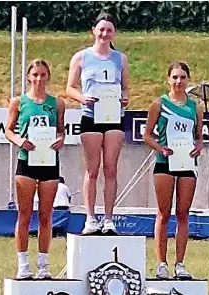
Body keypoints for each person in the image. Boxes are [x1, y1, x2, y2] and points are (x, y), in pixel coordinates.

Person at [66, 12, 130, 235]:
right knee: (92, 170)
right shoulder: (81, 57)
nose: (104, 34)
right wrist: (83, 98)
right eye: (101, 29)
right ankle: (90, 217)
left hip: (113, 117)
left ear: (114, 33)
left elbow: (125, 88)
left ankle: (109, 218)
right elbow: (70, 87)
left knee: (111, 168)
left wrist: (124, 98)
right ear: (94, 30)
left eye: (109, 30)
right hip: (91, 116)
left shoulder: (120, 59)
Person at [5, 58, 65, 279]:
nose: (39, 79)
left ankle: (43, 264)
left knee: (46, 214)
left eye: (43, 74)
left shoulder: (57, 103)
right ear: (29, 77)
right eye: (35, 75)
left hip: (49, 160)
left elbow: (60, 130)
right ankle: (23, 264)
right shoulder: (18, 102)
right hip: (26, 160)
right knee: (24, 213)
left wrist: (61, 139)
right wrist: (20, 141)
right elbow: (8, 130)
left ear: (48, 76)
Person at [143, 61, 203, 280]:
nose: (179, 81)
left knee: (183, 213)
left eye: (183, 77)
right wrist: (161, 148)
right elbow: (147, 135)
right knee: (163, 212)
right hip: (165, 162)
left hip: (186, 163)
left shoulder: (195, 107)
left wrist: (198, 146)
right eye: (175, 77)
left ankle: (180, 263)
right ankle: (161, 263)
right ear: (168, 79)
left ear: (188, 80)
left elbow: (198, 137)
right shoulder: (159, 103)